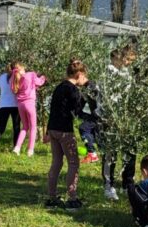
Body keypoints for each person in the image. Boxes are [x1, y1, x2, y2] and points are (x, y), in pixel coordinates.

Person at [45, 60, 88, 210]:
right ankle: (72, 198)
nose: (85, 80)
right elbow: (78, 112)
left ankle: (51, 197)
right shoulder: (73, 90)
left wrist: (47, 131)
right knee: (74, 163)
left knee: (56, 162)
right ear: (79, 74)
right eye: (84, 77)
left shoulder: (59, 87)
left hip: (53, 129)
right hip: (64, 130)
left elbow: (53, 109)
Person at [101, 45, 137, 202]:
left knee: (130, 151)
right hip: (112, 118)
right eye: (128, 59)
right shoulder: (109, 72)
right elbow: (105, 96)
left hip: (126, 118)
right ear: (120, 57)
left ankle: (127, 184)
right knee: (111, 152)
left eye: (131, 60)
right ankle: (109, 186)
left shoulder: (126, 73)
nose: (129, 63)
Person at [10, 61, 47, 157]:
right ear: (22, 68)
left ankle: (17, 147)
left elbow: (14, 89)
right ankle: (30, 150)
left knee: (25, 127)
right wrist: (43, 76)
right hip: (30, 103)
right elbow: (40, 82)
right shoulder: (30, 75)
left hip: (20, 105)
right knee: (33, 127)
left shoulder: (14, 78)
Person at [0, 63, 20, 151]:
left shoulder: (2, 77)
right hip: (15, 105)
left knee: (1, 127)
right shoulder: (17, 77)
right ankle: (15, 148)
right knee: (16, 127)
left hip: (3, 105)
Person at [77, 78, 103, 164]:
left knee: (83, 128)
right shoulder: (88, 86)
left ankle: (92, 153)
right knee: (92, 133)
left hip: (97, 115)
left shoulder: (91, 86)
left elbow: (95, 101)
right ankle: (93, 153)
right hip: (94, 115)